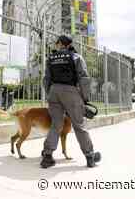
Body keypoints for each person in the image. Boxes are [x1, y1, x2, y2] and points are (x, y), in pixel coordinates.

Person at [40, 35, 101, 169]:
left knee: (56, 125)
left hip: (54, 91)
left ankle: (47, 156)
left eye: (57, 43)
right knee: (79, 125)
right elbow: (84, 79)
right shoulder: (76, 57)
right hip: (71, 92)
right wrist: (84, 98)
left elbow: (46, 80)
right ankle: (90, 156)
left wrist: (50, 93)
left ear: (61, 43)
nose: (56, 45)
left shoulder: (50, 58)